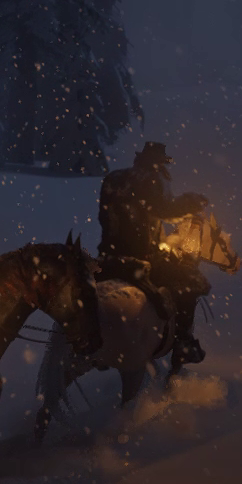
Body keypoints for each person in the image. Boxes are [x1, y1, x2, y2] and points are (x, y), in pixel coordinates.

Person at [96, 141, 213, 364]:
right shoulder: (151, 179)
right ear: (159, 163)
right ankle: (183, 342)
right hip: (142, 258)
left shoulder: (114, 178)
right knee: (189, 284)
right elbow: (165, 210)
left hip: (108, 255)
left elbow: (105, 217)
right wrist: (191, 203)